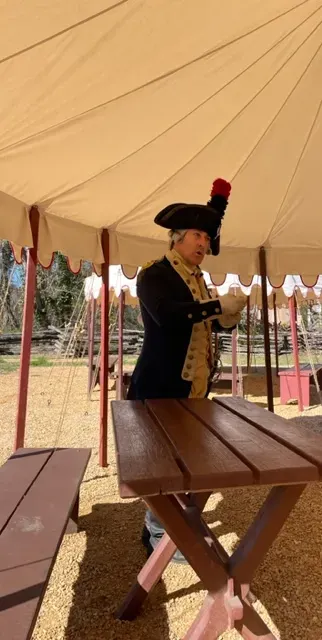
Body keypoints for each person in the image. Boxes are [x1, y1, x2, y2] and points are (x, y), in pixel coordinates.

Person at [127, 178, 247, 562]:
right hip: (159, 387)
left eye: (208, 239)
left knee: (187, 460)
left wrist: (228, 316)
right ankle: (160, 534)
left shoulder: (196, 279)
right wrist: (216, 306)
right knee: (163, 465)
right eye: (197, 234)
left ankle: (168, 529)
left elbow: (204, 324)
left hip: (192, 390)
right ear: (177, 237)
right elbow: (168, 316)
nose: (203, 244)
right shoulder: (155, 274)